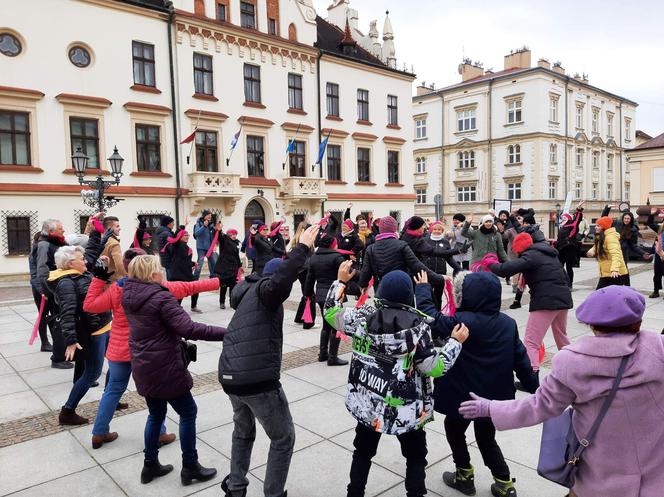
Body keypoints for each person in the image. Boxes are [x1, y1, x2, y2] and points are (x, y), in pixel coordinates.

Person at [459, 285, 664, 497]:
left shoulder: (573, 363)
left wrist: (490, 408)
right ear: (638, 321)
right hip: (657, 474)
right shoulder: (658, 348)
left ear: (593, 325)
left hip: (600, 478)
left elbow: (539, 406)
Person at [325, 263, 468, 497]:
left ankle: (355, 492)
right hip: (406, 409)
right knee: (415, 456)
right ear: (408, 296)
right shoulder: (419, 329)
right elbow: (434, 367)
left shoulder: (362, 317)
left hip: (368, 403)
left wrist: (340, 282)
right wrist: (455, 343)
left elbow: (331, 313)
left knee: (362, 451)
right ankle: (415, 493)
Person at [415, 270, 537, 497]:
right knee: (486, 438)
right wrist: (535, 386)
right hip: (492, 399)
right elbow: (521, 358)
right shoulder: (508, 324)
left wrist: (423, 289)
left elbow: (429, 316)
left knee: (454, 429)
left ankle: (464, 474)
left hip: (460, 396)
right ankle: (504, 483)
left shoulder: (460, 322)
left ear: (467, 295)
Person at [218, 225, 319, 497]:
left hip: (230, 375)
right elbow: (280, 281)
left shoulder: (247, 292)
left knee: (243, 431)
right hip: (256, 379)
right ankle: (273, 494)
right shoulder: (267, 292)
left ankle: (236, 488)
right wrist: (302, 249)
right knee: (283, 437)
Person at [84, 248, 220, 449]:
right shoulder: (157, 289)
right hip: (147, 350)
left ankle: (99, 432)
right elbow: (188, 287)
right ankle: (160, 434)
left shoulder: (117, 289)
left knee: (113, 390)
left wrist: (98, 279)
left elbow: (90, 305)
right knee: (156, 393)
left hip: (119, 349)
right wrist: (218, 281)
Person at [122, 255, 225, 485]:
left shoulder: (129, 295)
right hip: (165, 366)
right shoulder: (160, 297)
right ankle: (190, 466)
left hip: (144, 365)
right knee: (188, 412)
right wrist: (227, 333)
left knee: (155, 415)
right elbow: (189, 328)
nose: (163, 272)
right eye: (160, 269)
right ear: (152, 275)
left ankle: (149, 466)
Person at [47, 228, 111, 426]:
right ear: (70, 263)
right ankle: (68, 411)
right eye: (80, 259)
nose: (85, 261)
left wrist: (98, 232)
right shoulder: (66, 282)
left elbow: (91, 254)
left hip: (105, 326)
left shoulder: (80, 274)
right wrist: (71, 341)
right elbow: (67, 313)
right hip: (93, 333)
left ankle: (111, 398)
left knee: (119, 361)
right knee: (91, 373)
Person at [489, 232, 572, 380]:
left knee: (531, 341)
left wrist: (490, 264)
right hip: (563, 298)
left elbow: (505, 270)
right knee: (561, 336)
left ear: (520, 248)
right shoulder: (551, 254)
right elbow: (565, 277)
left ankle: (531, 376)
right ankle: (573, 368)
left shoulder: (531, 256)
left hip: (545, 301)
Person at [359, 216, 443, 291]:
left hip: (381, 288)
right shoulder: (402, 245)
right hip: (402, 287)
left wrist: (363, 285)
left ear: (380, 229)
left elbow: (365, 271)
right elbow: (417, 266)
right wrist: (439, 278)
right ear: (394, 229)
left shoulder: (371, 248)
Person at [304, 231, 347, 366]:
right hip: (335, 295)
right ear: (332, 244)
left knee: (325, 325)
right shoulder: (337, 257)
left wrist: (307, 294)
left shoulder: (314, 258)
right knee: (336, 326)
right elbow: (344, 276)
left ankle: (323, 354)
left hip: (321, 296)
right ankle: (332, 357)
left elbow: (309, 279)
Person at [36, 218, 71, 368]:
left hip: (59, 287)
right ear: (51, 231)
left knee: (63, 321)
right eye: (60, 228)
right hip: (53, 290)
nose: (63, 230)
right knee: (58, 323)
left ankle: (63, 353)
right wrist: (47, 291)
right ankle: (57, 358)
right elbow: (42, 270)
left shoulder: (57, 242)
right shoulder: (44, 244)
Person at [420, 221, 462, 308]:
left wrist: (458, 268)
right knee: (428, 295)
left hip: (441, 273)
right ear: (431, 230)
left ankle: (438, 313)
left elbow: (449, 258)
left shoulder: (445, 242)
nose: (437, 231)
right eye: (435, 229)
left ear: (442, 231)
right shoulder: (425, 241)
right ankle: (428, 312)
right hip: (428, 273)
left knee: (438, 296)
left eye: (439, 229)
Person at [586, 216, 630, 289]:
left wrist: (615, 269)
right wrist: (593, 250)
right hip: (607, 272)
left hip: (614, 273)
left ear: (604, 227)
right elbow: (600, 245)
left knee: (602, 295)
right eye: (596, 225)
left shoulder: (610, 238)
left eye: (598, 226)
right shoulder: (602, 236)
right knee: (603, 295)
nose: (596, 227)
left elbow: (616, 254)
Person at [28, 231, 53, 352]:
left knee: (52, 316)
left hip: (48, 287)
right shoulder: (35, 253)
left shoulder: (45, 251)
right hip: (40, 289)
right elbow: (35, 275)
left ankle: (56, 341)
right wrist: (42, 290)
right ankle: (45, 343)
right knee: (43, 315)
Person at [292, 221, 317, 329]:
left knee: (306, 294)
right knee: (310, 295)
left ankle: (299, 318)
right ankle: (308, 322)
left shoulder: (297, 239)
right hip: (306, 270)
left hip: (301, 270)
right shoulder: (305, 241)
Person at [556, 203, 585, 288]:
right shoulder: (562, 227)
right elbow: (559, 239)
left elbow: (578, 218)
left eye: (564, 217)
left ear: (568, 218)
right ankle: (561, 282)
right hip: (561, 248)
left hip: (570, 247)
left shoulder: (573, 224)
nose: (562, 218)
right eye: (562, 217)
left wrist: (578, 208)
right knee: (560, 266)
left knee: (569, 267)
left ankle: (570, 284)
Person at [213, 228, 242, 309]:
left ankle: (231, 302)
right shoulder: (224, 240)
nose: (234, 236)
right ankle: (222, 302)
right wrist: (218, 230)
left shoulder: (236, 243)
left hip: (233, 266)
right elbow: (219, 237)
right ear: (228, 235)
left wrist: (239, 265)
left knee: (233, 286)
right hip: (225, 266)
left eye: (235, 234)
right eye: (232, 234)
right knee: (224, 285)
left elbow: (237, 255)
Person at [193, 210, 219, 280]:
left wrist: (217, 229)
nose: (210, 216)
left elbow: (213, 235)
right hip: (201, 247)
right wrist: (204, 226)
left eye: (210, 215)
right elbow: (196, 234)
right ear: (204, 216)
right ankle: (195, 279)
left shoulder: (211, 224)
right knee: (200, 264)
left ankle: (214, 278)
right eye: (208, 215)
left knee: (213, 262)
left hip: (209, 248)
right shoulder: (198, 223)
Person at [100, 216, 125, 282]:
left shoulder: (99, 240)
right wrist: (128, 277)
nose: (120, 228)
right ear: (109, 228)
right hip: (113, 281)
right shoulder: (114, 243)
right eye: (117, 226)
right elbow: (119, 265)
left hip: (99, 280)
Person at [647, 208, 663, 298]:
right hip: (658, 254)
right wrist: (652, 214)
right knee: (657, 274)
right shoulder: (660, 229)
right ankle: (656, 291)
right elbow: (650, 223)